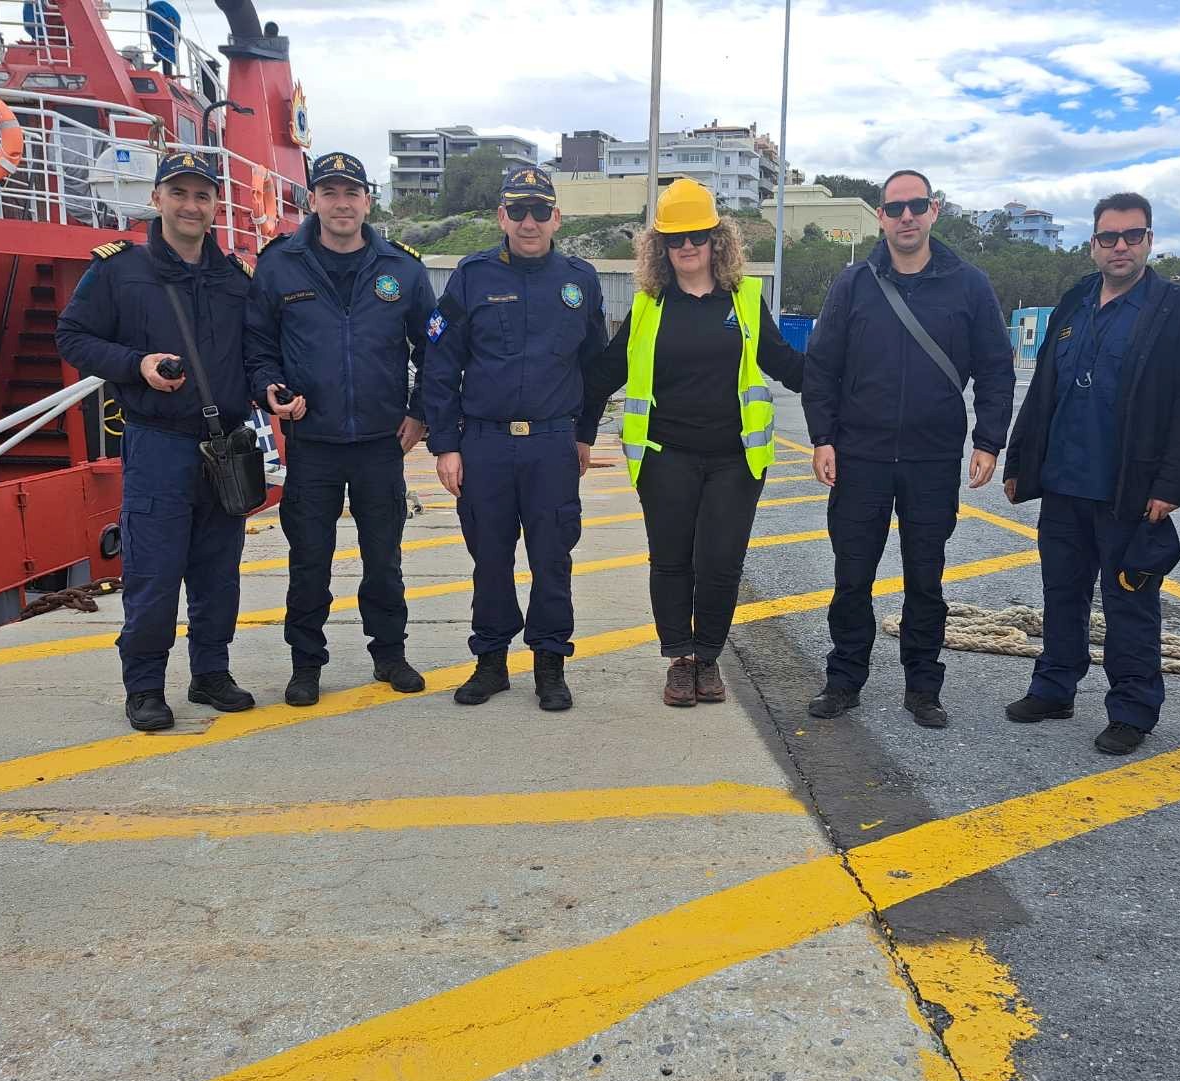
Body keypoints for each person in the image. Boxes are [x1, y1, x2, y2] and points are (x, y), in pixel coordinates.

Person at [1001, 192, 1180, 754]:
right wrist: (1020, 461)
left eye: (1132, 235)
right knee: (1061, 593)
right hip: (1064, 484)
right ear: (1093, 243)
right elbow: (1044, 388)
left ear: (1149, 240)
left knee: (1129, 604)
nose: (1120, 246)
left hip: (1130, 490)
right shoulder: (1075, 303)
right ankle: (1054, 688)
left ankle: (1132, 710)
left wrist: (1173, 485)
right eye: (1108, 237)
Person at [801, 168, 1015, 728]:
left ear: (933, 210)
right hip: (860, 457)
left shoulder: (969, 285)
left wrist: (989, 440)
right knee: (853, 577)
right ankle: (844, 679)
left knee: (925, 578)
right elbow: (821, 368)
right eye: (895, 208)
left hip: (931, 459)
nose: (906, 217)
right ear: (881, 217)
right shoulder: (853, 284)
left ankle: (923, 687)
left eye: (916, 206)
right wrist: (823, 438)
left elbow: (996, 367)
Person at [583, 180, 804, 706]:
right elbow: (603, 375)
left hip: (735, 458)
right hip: (666, 457)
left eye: (697, 236)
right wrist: (576, 431)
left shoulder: (744, 300)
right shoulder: (648, 306)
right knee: (671, 560)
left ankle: (708, 657)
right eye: (674, 238)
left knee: (721, 563)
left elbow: (787, 365)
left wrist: (845, 392)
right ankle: (679, 659)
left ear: (716, 239)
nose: (687, 247)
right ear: (659, 246)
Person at [57, 151, 255, 731]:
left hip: (225, 446)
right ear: (157, 199)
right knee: (155, 572)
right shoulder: (119, 271)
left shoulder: (236, 278)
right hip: (158, 444)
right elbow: (72, 336)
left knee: (219, 573)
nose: (191, 206)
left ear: (215, 205)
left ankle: (211, 673)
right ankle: (144, 686)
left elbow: (257, 351)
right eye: (179, 193)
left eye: (202, 196)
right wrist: (135, 364)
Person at [244, 151, 435, 707]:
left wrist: (420, 411)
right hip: (313, 443)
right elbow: (258, 345)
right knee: (309, 561)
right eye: (330, 192)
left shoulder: (403, 269)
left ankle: (390, 654)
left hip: (381, 443)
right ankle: (306, 664)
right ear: (313, 201)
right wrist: (270, 388)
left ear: (367, 201)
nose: (342, 203)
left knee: (384, 560)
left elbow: (434, 348)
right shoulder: (279, 265)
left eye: (352, 193)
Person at [421, 166, 608, 712]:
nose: (530, 222)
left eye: (540, 211)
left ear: (557, 218)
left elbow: (595, 368)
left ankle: (550, 664)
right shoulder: (472, 276)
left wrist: (584, 434)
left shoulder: (580, 280)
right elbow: (440, 363)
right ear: (501, 216)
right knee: (490, 559)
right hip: (485, 444)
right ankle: (491, 662)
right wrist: (446, 445)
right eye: (519, 211)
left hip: (552, 443)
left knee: (552, 559)